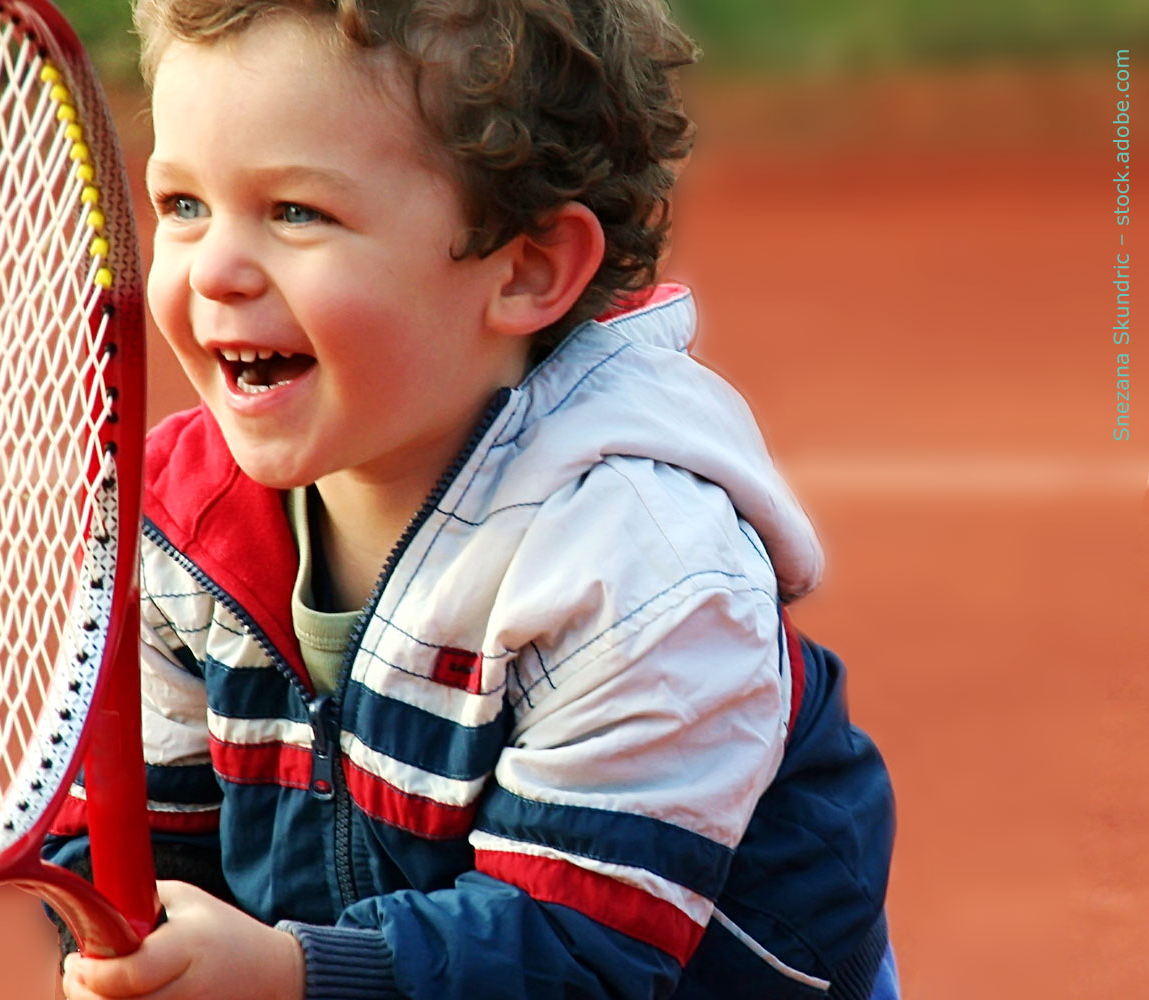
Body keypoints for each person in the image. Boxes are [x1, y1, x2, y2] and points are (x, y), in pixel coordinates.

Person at [43, 2, 898, 998]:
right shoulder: (174, 531)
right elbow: (140, 845)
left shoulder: (638, 570)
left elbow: (580, 953)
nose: (216, 272)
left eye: (295, 212)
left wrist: (287, 975)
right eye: (183, 204)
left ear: (526, 269)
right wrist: (139, 947)